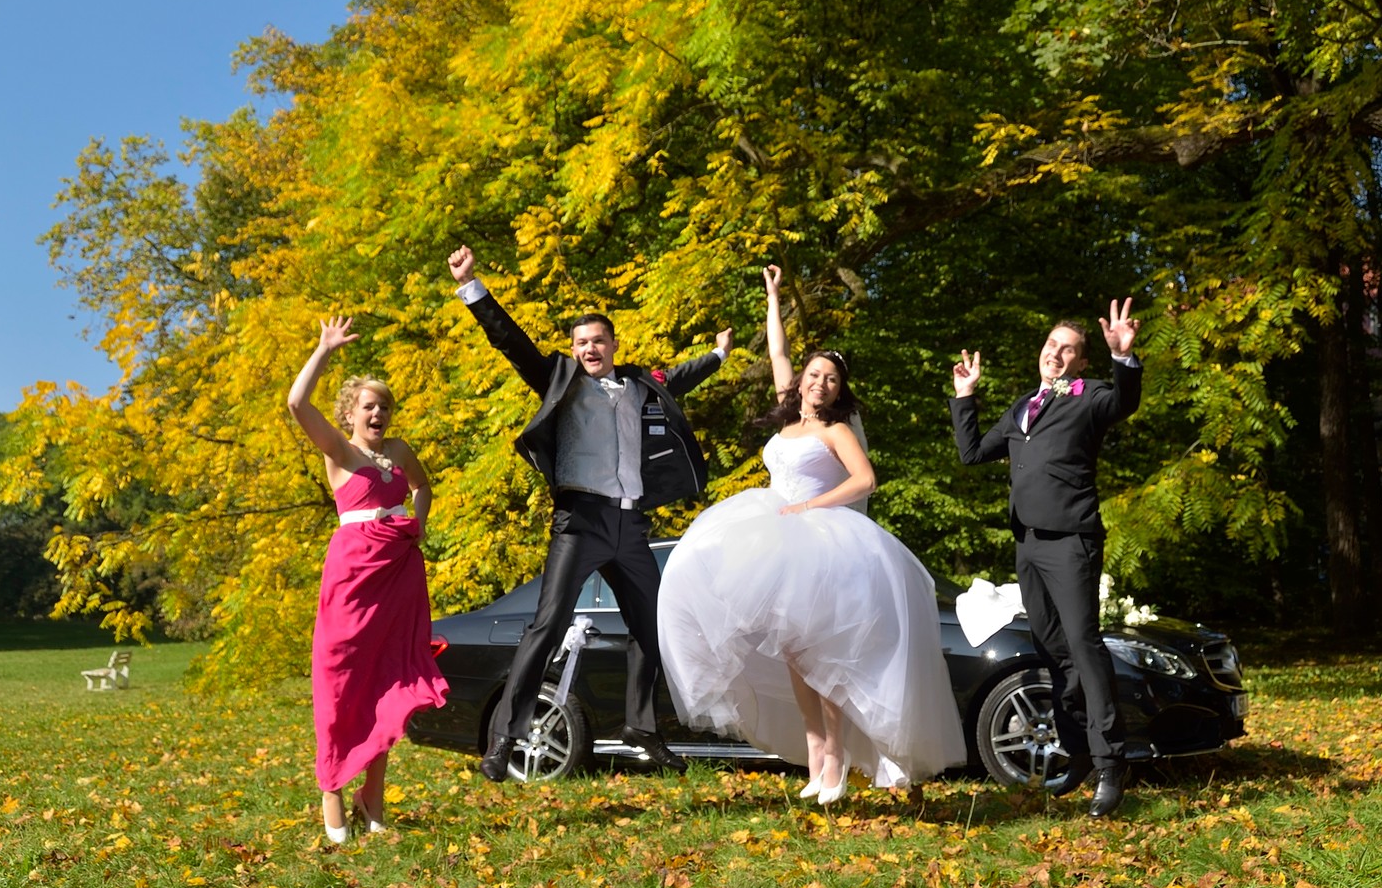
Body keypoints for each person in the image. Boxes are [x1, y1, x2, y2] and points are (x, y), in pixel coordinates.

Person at [658, 265, 966, 803]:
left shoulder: (834, 429)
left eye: (830, 379)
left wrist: (808, 506)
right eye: (813, 374)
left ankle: (837, 758)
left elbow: (865, 478)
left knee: (824, 656)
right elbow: (778, 353)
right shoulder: (788, 418)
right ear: (802, 381)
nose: (819, 383)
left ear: (838, 390)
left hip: (822, 541)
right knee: (795, 656)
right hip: (777, 531)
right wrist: (773, 298)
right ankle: (816, 754)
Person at [445, 245, 732, 782]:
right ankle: (504, 736)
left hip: (629, 526)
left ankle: (641, 727)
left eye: (597, 339)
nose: (588, 348)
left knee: (653, 626)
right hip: (580, 520)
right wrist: (473, 288)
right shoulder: (561, 379)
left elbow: (680, 377)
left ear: (613, 344)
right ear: (572, 350)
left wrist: (717, 356)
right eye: (579, 342)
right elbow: (511, 342)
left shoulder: (641, 384)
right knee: (546, 625)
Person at [949, 300, 1142, 817]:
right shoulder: (1020, 408)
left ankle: (1110, 765)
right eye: (1051, 345)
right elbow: (971, 454)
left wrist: (1123, 359)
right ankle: (1077, 752)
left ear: (1081, 362)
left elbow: (1124, 402)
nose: (1055, 354)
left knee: (1082, 644)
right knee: (1053, 650)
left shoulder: (1091, 397)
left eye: (1068, 350)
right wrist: (965, 396)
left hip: (1071, 542)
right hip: (1028, 545)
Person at [287, 317, 449, 843]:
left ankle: (373, 798)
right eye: (368, 406)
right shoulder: (340, 453)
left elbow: (423, 487)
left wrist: (418, 523)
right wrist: (324, 349)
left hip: (399, 573)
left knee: (388, 680)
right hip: (353, 576)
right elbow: (296, 404)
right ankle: (332, 788)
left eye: (384, 406)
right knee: (339, 681)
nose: (378, 413)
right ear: (350, 414)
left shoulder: (399, 452)